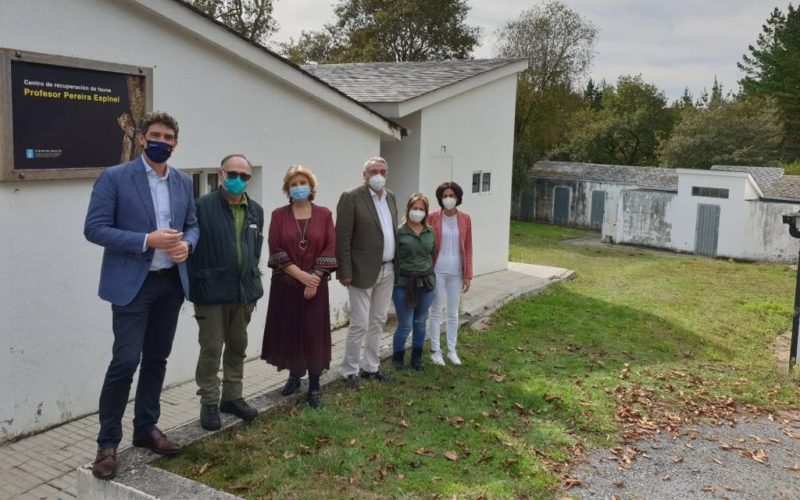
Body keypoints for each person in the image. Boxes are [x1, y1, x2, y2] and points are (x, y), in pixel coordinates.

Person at [84, 111, 199, 480]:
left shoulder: (183, 182)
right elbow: (95, 228)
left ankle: (146, 428)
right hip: (133, 285)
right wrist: (145, 240)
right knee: (124, 361)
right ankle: (107, 443)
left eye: (168, 137)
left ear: (176, 143)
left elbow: (192, 226)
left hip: (170, 283)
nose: (162, 141)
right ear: (141, 138)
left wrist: (188, 247)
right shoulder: (115, 177)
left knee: (157, 359)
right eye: (156, 135)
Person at [188, 154, 264, 430]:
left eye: (244, 176)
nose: (238, 180)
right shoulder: (201, 206)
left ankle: (232, 397)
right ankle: (209, 402)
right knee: (211, 348)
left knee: (237, 346)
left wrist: (252, 286)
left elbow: (254, 250)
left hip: (243, 293)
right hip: (210, 292)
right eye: (233, 174)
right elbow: (191, 249)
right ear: (221, 174)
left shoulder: (255, 210)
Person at [262, 165, 336, 408]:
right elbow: (276, 250)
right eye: (293, 184)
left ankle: (314, 386)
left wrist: (314, 278)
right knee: (291, 331)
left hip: (317, 286)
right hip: (287, 285)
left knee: (313, 335)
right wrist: (302, 277)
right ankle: (295, 376)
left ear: (311, 186)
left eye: (302, 182)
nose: (298, 187)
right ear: (287, 189)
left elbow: (330, 247)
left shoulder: (324, 214)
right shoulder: (278, 215)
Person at [336, 157, 398, 389]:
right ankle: (350, 370)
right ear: (365, 174)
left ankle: (371, 367)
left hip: (389, 268)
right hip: (361, 271)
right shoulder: (351, 197)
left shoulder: (390, 197)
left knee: (378, 321)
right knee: (360, 323)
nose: (378, 175)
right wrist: (345, 271)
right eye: (373, 171)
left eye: (383, 171)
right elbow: (342, 237)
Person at [427, 182, 473, 366]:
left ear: (458, 198)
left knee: (453, 312)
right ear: (440, 198)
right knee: (436, 310)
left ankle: (452, 350)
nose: (448, 199)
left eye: (451, 195)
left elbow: (468, 247)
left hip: (456, 271)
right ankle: (435, 350)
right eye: (445, 196)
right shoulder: (432, 218)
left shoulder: (465, 218)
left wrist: (468, 274)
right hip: (437, 270)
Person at [390, 194, 437, 371]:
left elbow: (432, 253)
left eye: (421, 209)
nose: (417, 212)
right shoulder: (399, 232)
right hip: (404, 284)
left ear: (426, 212)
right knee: (405, 324)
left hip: (426, 283)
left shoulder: (430, 232)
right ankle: (398, 359)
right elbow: (392, 257)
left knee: (420, 321)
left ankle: (417, 358)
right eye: (414, 208)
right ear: (408, 210)